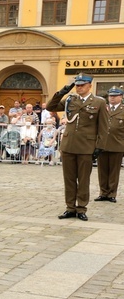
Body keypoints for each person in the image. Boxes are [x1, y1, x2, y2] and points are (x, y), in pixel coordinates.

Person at [47, 73, 109, 221]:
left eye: (82, 85)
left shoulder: (99, 102)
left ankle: (81, 208)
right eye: (77, 85)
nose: (79, 88)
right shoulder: (70, 99)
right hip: (68, 145)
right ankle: (70, 208)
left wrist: (99, 147)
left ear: (90, 85)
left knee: (83, 180)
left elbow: (103, 127)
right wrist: (62, 92)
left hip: (86, 147)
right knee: (68, 179)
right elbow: (51, 106)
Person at [95, 86, 124, 202]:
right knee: (102, 170)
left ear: (121, 97)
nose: (112, 98)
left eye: (115, 96)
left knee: (114, 171)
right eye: (110, 96)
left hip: (117, 144)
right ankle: (103, 192)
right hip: (102, 144)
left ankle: (112, 194)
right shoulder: (104, 108)